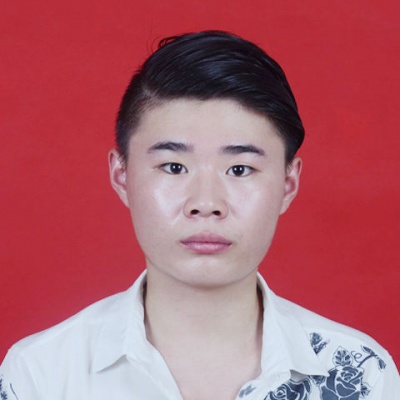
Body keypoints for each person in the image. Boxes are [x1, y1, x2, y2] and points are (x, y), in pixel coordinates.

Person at [0, 30, 398, 400]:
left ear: (288, 184)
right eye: (174, 167)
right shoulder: (42, 374)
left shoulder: (363, 375)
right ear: (122, 176)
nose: (206, 203)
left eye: (239, 169)